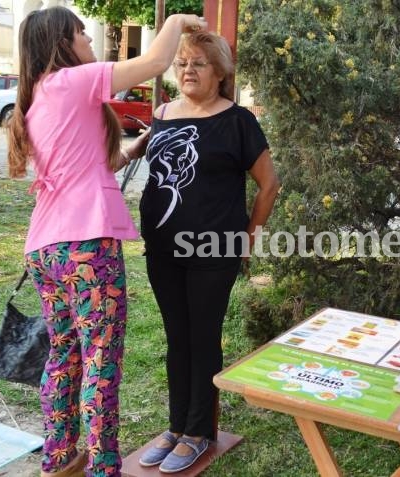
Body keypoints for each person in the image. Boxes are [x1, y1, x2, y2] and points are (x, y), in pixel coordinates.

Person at [7, 7, 206, 477]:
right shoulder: (72, 81)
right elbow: (157, 63)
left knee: (65, 354)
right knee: (100, 358)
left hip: (45, 248)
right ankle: (103, 468)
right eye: (83, 35)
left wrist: (136, 148)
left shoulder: (38, 95)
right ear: (63, 41)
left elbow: (92, 165)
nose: (92, 44)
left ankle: (58, 458)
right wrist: (177, 20)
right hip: (86, 247)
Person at [126, 31, 280, 474]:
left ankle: (198, 432)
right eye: (182, 62)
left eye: (199, 63)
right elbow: (139, 163)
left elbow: (268, 186)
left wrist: (249, 237)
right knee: (177, 337)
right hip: (162, 248)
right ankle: (176, 427)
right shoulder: (161, 115)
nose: (188, 70)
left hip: (214, 248)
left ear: (220, 71)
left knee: (202, 335)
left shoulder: (238, 121)